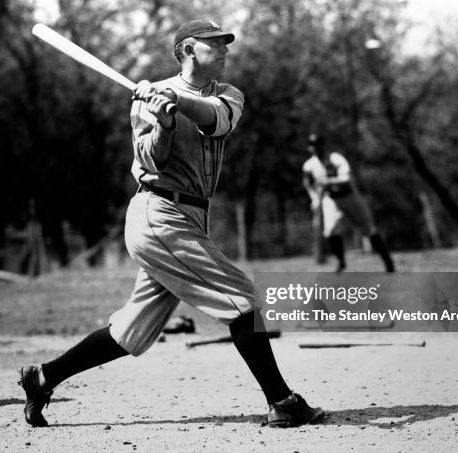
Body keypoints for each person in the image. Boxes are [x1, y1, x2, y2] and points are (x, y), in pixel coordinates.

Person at [18, 19, 325, 429]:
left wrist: (176, 103)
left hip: (191, 217)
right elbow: (151, 162)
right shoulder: (146, 101)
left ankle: (43, 377)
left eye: (224, 44)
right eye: (212, 43)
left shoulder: (229, 95)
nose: (223, 49)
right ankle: (283, 402)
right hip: (158, 213)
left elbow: (216, 120)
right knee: (242, 297)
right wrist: (162, 123)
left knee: (131, 330)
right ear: (185, 50)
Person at [302, 133, 395, 272]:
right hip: (330, 199)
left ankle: (388, 262)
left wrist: (328, 182)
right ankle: (341, 263)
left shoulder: (335, 158)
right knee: (330, 231)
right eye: (311, 145)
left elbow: (346, 178)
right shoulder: (309, 165)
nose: (314, 148)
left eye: (317, 145)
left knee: (368, 228)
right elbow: (308, 183)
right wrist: (314, 198)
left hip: (349, 196)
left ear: (323, 145)